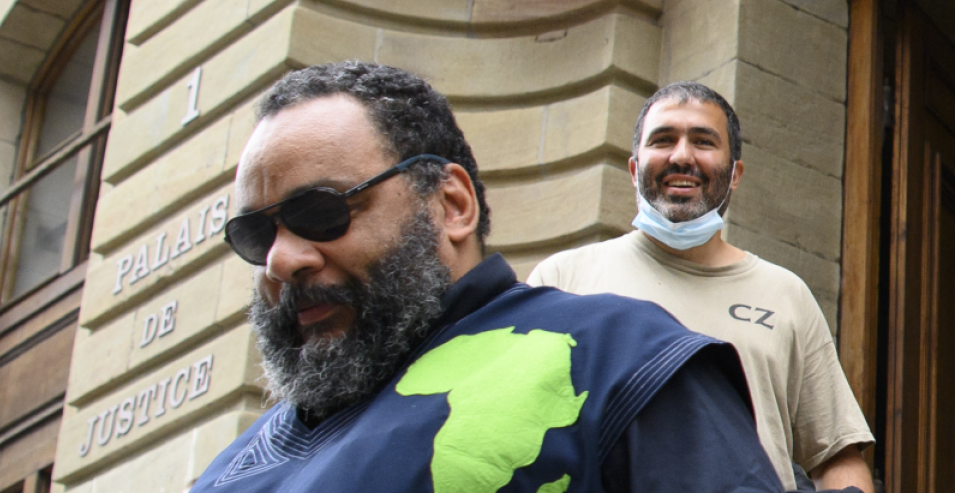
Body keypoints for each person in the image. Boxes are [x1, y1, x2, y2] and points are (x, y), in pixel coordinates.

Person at [189, 62, 856, 493]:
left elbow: (835, 453)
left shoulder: (614, 354)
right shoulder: (224, 474)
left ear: (451, 204)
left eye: (320, 212)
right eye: (256, 235)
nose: (280, 260)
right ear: (634, 168)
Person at [528, 82, 875, 493]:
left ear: (735, 174)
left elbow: (836, 455)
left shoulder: (785, 294)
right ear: (634, 169)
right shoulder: (562, 281)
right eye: (663, 139)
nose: (681, 156)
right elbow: (517, 432)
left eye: (703, 141)